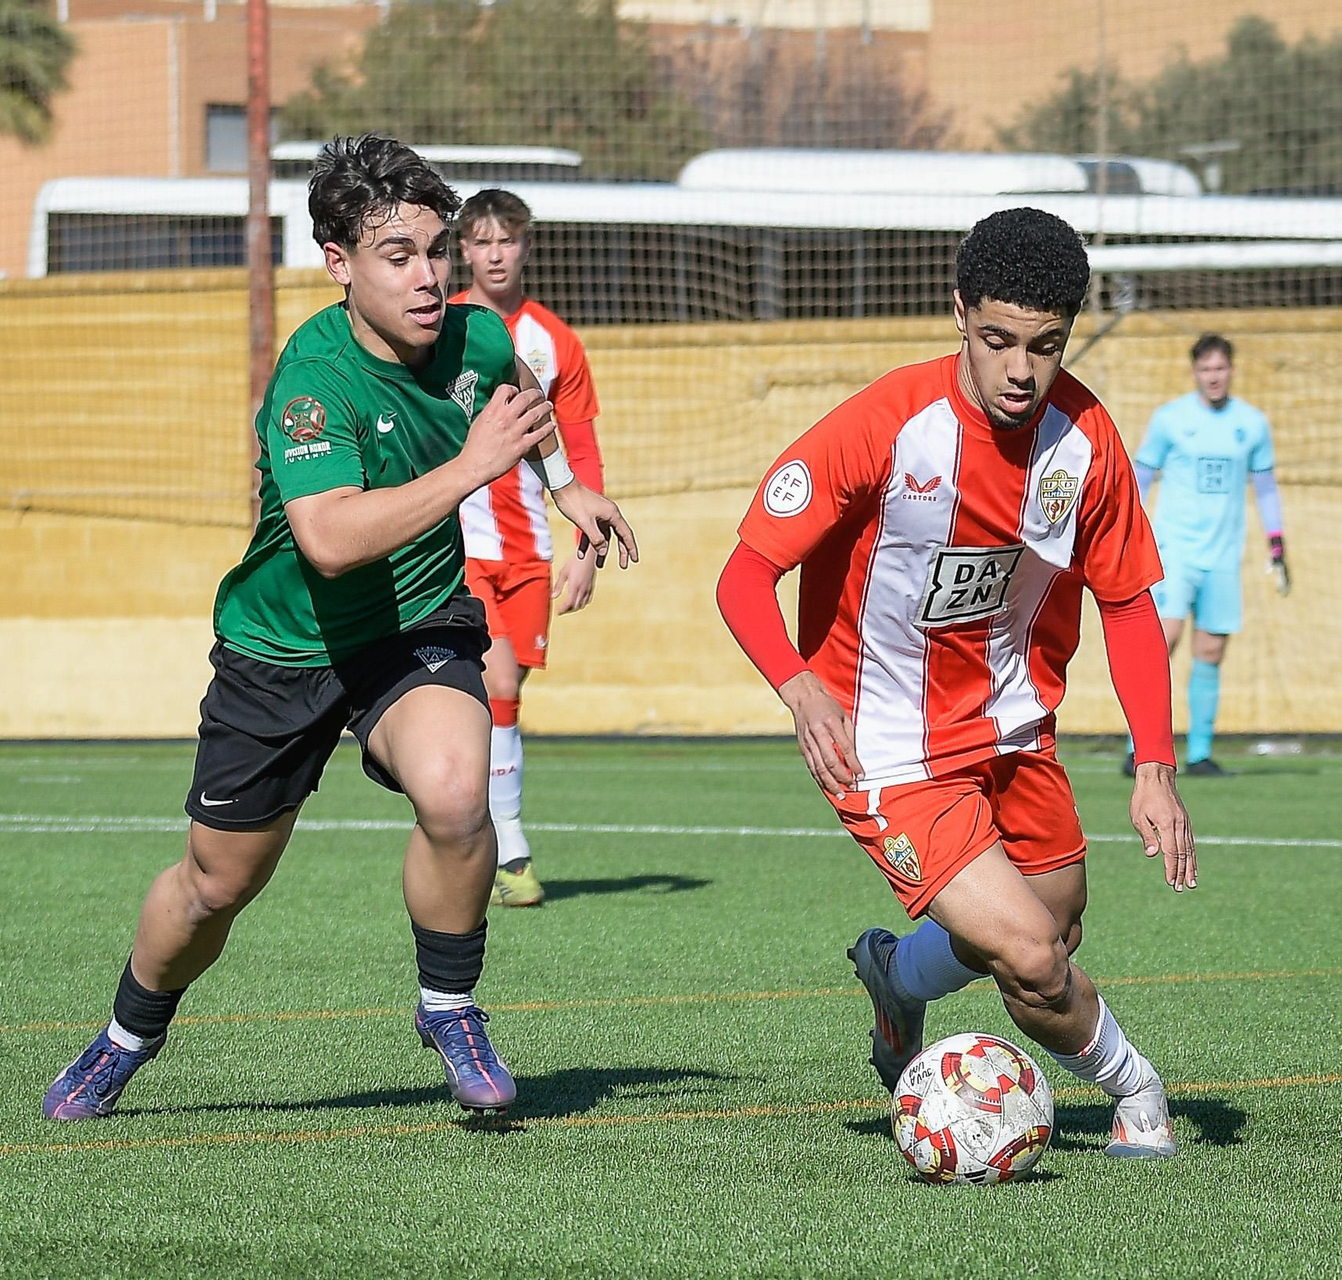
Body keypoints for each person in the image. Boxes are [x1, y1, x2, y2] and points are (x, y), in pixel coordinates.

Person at [41, 135, 637, 1122]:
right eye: (397, 256)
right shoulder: (314, 379)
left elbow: (517, 406)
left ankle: (448, 1005)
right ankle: (126, 1034)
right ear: (340, 263)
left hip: (415, 625)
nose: (429, 276)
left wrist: (568, 485)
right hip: (283, 647)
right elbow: (326, 539)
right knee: (212, 884)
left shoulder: (478, 337)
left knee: (456, 792)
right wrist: (470, 470)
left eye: (437, 250)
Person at [717, 207, 1195, 1159]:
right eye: (999, 341)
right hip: (883, 744)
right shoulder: (887, 425)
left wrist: (1154, 765)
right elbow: (742, 577)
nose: (1022, 369)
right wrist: (800, 688)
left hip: (1014, 729)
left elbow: (1131, 606)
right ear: (959, 317)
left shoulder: (1086, 442)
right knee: (1028, 953)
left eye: (1046, 346)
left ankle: (898, 976)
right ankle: (1140, 1097)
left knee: (1054, 923)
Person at [451, 189, 606, 908]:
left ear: (525, 247)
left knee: (505, 702)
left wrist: (587, 545)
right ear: (464, 251)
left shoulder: (554, 340)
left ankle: (479, 831)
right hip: (460, 545)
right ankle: (509, 852)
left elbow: (578, 443)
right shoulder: (444, 325)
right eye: (480, 241)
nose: (493, 254)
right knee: (498, 686)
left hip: (530, 549)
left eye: (505, 240)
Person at [1125, 333, 1289, 777]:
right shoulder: (1170, 420)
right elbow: (1141, 475)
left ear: (1230, 370)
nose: (1213, 377)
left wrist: (1277, 542)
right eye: (1206, 370)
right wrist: (1129, 530)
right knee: (1163, 642)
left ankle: (1199, 753)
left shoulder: (1251, 424)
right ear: (1195, 372)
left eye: (1220, 369)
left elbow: (1266, 487)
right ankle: (1138, 747)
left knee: (1211, 650)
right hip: (1174, 549)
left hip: (1223, 554)